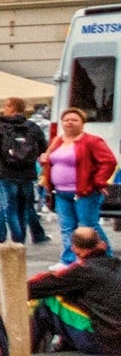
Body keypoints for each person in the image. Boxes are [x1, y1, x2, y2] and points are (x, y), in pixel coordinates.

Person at [28, 224, 121, 355]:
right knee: (73, 299)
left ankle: (28, 352)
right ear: (102, 244)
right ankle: (65, 344)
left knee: (47, 299)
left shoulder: (82, 270)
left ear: (75, 249)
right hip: (115, 336)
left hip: (104, 341)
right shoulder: (116, 264)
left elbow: (33, 288)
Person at [43, 107, 116, 265]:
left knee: (89, 226)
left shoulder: (92, 141)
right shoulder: (58, 141)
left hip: (85, 192)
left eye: (74, 120)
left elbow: (109, 161)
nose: (69, 122)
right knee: (67, 227)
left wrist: (98, 181)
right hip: (61, 192)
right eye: (66, 119)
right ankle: (69, 260)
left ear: (82, 123)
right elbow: (49, 159)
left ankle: (106, 259)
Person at [0, 96, 47, 244]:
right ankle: (18, 240)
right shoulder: (33, 127)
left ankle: (13, 239)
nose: (4, 109)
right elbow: (43, 149)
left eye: (6, 106)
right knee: (23, 209)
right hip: (27, 173)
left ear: (12, 108)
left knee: (8, 208)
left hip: (5, 173)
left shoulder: (2, 126)